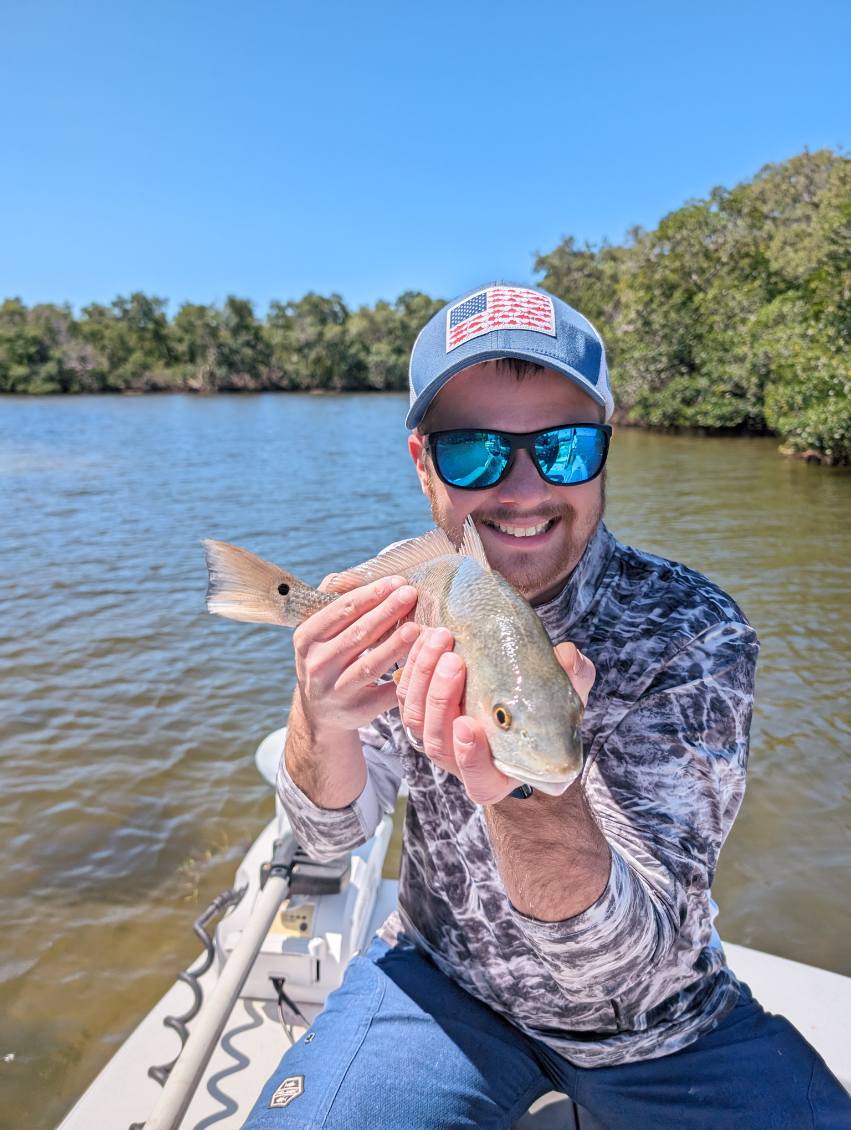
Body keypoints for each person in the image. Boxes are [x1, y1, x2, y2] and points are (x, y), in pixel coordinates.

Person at [242, 284, 849, 1129]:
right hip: (439, 981)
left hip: (657, 1022)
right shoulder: (399, 587)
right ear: (422, 463)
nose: (521, 490)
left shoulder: (690, 633)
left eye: (561, 448)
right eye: (472, 452)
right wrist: (322, 712)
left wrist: (521, 793)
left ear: (607, 450)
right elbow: (330, 838)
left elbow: (623, 966)